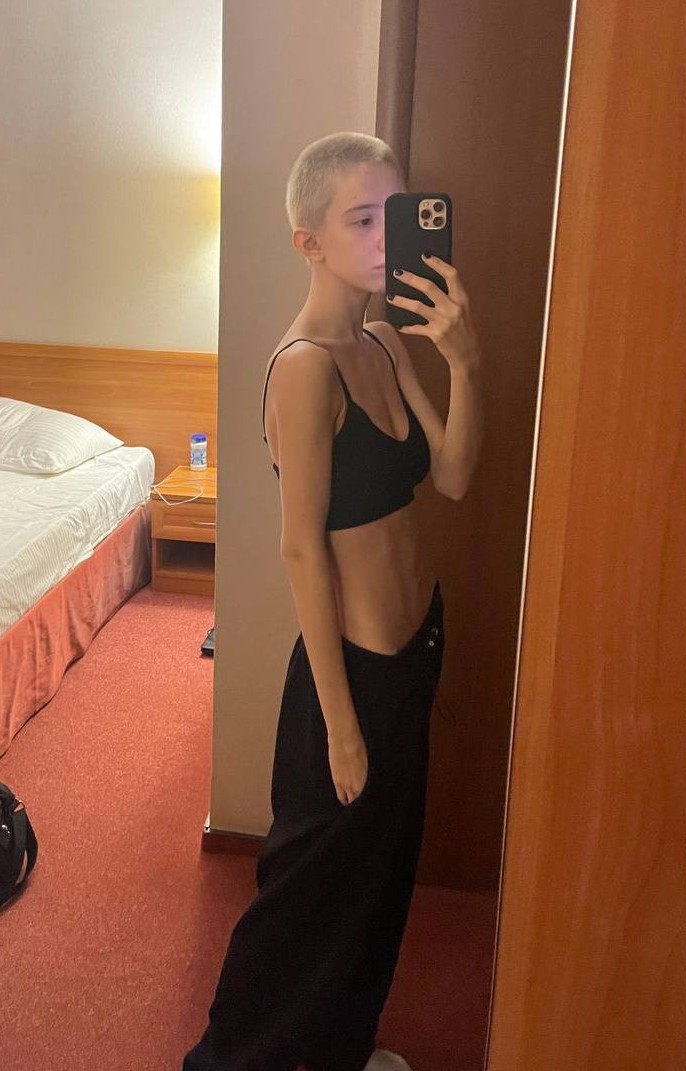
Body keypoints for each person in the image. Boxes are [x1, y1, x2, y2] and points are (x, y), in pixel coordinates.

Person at [183, 132, 483, 1071]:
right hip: (347, 673)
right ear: (307, 241)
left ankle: (342, 1046)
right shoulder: (304, 366)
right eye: (361, 219)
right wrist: (342, 725)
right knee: (305, 893)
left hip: (414, 651)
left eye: (392, 212)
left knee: (381, 877)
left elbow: (454, 477)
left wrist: (465, 363)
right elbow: (299, 548)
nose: (385, 236)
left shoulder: (385, 343)